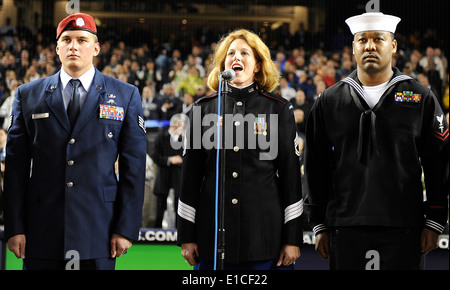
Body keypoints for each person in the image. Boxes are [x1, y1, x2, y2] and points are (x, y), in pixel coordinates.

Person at [304, 12, 449, 270]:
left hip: (405, 225)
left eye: (378, 39)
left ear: (393, 46)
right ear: (353, 47)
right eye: (362, 40)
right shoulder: (328, 100)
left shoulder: (421, 96)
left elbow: (438, 161)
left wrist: (435, 219)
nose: (369, 46)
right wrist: (318, 223)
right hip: (344, 225)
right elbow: (315, 166)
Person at [2, 13, 147, 270]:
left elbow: (133, 168)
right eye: (67, 40)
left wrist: (126, 228)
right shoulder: (28, 94)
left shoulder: (126, 95)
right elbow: (15, 167)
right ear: (57, 48)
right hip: (42, 231)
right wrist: (15, 227)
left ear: (96, 47)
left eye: (82, 40)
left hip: (99, 231)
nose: (74, 46)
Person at [178, 28, 303, 270]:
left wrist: (292, 238)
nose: (236, 57)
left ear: (257, 65)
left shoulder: (278, 109)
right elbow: (190, 178)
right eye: (231, 53)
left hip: (264, 239)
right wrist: (186, 235)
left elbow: (290, 179)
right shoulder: (202, 110)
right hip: (211, 238)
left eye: (245, 53)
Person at [150, 114, 185, 228]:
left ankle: (178, 234)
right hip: (163, 174)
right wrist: (169, 160)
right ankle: (156, 232)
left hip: (177, 176)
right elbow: (154, 155)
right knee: (160, 206)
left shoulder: (183, 139)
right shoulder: (161, 137)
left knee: (178, 206)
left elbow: (189, 157)